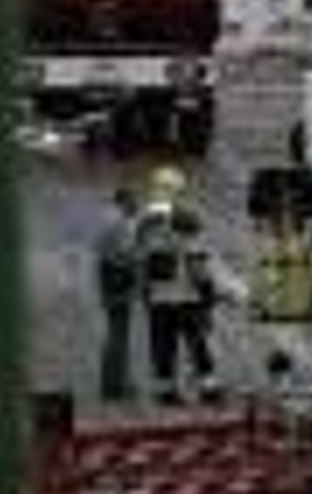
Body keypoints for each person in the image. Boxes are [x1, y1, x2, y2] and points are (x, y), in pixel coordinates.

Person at [137, 166, 221, 406]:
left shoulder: (146, 223)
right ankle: (209, 390)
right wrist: (208, 292)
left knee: (163, 347)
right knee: (198, 344)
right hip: (187, 296)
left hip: (158, 299)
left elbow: (141, 261)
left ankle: (165, 391)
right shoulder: (187, 219)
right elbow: (196, 261)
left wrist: (145, 293)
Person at [95, 185, 142, 402]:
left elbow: (101, 249)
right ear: (125, 201)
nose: (137, 205)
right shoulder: (121, 223)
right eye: (134, 201)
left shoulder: (106, 218)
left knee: (115, 331)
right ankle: (115, 387)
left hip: (106, 276)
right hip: (118, 278)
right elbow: (125, 255)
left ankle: (111, 383)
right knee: (119, 334)